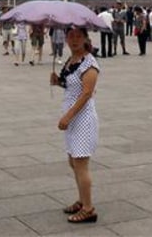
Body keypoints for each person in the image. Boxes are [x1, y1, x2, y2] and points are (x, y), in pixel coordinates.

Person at [50, 28, 99, 224]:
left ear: (86, 38)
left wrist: (68, 117)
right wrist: (58, 82)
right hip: (72, 118)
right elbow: (71, 85)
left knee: (80, 164)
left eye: (79, 36)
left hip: (82, 119)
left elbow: (86, 94)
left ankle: (88, 209)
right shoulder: (72, 60)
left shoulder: (89, 64)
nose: (74, 40)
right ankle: (82, 200)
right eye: (71, 36)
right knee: (73, 162)